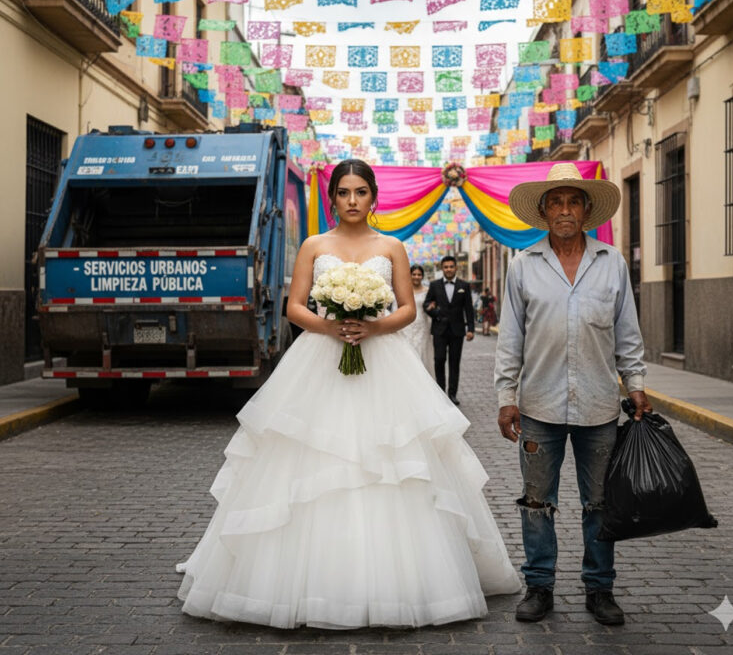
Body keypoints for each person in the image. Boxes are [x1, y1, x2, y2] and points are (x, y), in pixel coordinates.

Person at [177, 159, 520, 629]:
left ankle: (404, 582)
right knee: (306, 460)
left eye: (361, 192)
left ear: (374, 197)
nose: (353, 200)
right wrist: (332, 326)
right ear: (333, 198)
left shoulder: (392, 246)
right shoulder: (316, 246)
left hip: (384, 361)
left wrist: (372, 326)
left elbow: (405, 310)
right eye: (344, 192)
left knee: (397, 465)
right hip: (320, 359)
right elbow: (295, 306)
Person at [494, 162, 651, 627]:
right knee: (537, 502)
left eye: (573, 201)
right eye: (556, 202)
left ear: (586, 210)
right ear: (544, 211)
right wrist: (506, 395)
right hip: (538, 404)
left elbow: (628, 332)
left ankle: (599, 589)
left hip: (600, 405)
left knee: (600, 503)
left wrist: (636, 384)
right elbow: (510, 339)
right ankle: (539, 586)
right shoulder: (523, 265)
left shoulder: (612, 262)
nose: (565, 209)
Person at [424, 256, 475, 405]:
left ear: (456, 268)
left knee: (454, 362)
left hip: (457, 331)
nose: (448, 269)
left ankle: (452, 394)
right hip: (439, 329)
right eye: (446, 267)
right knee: (439, 360)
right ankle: (441, 392)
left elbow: (469, 309)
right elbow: (426, 304)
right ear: (442, 269)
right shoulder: (434, 285)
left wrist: (470, 329)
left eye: (451, 266)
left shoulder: (464, 285)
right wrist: (436, 313)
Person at [400, 264, 435, 377]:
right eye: (414, 274)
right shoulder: (404, 291)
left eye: (419, 274)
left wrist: (432, 307)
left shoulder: (428, 291)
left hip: (422, 326)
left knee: (422, 353)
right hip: (407, 326)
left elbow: (432, 306)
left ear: (422, 276)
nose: (416, 276)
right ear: (410, 275)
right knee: (407, 353)